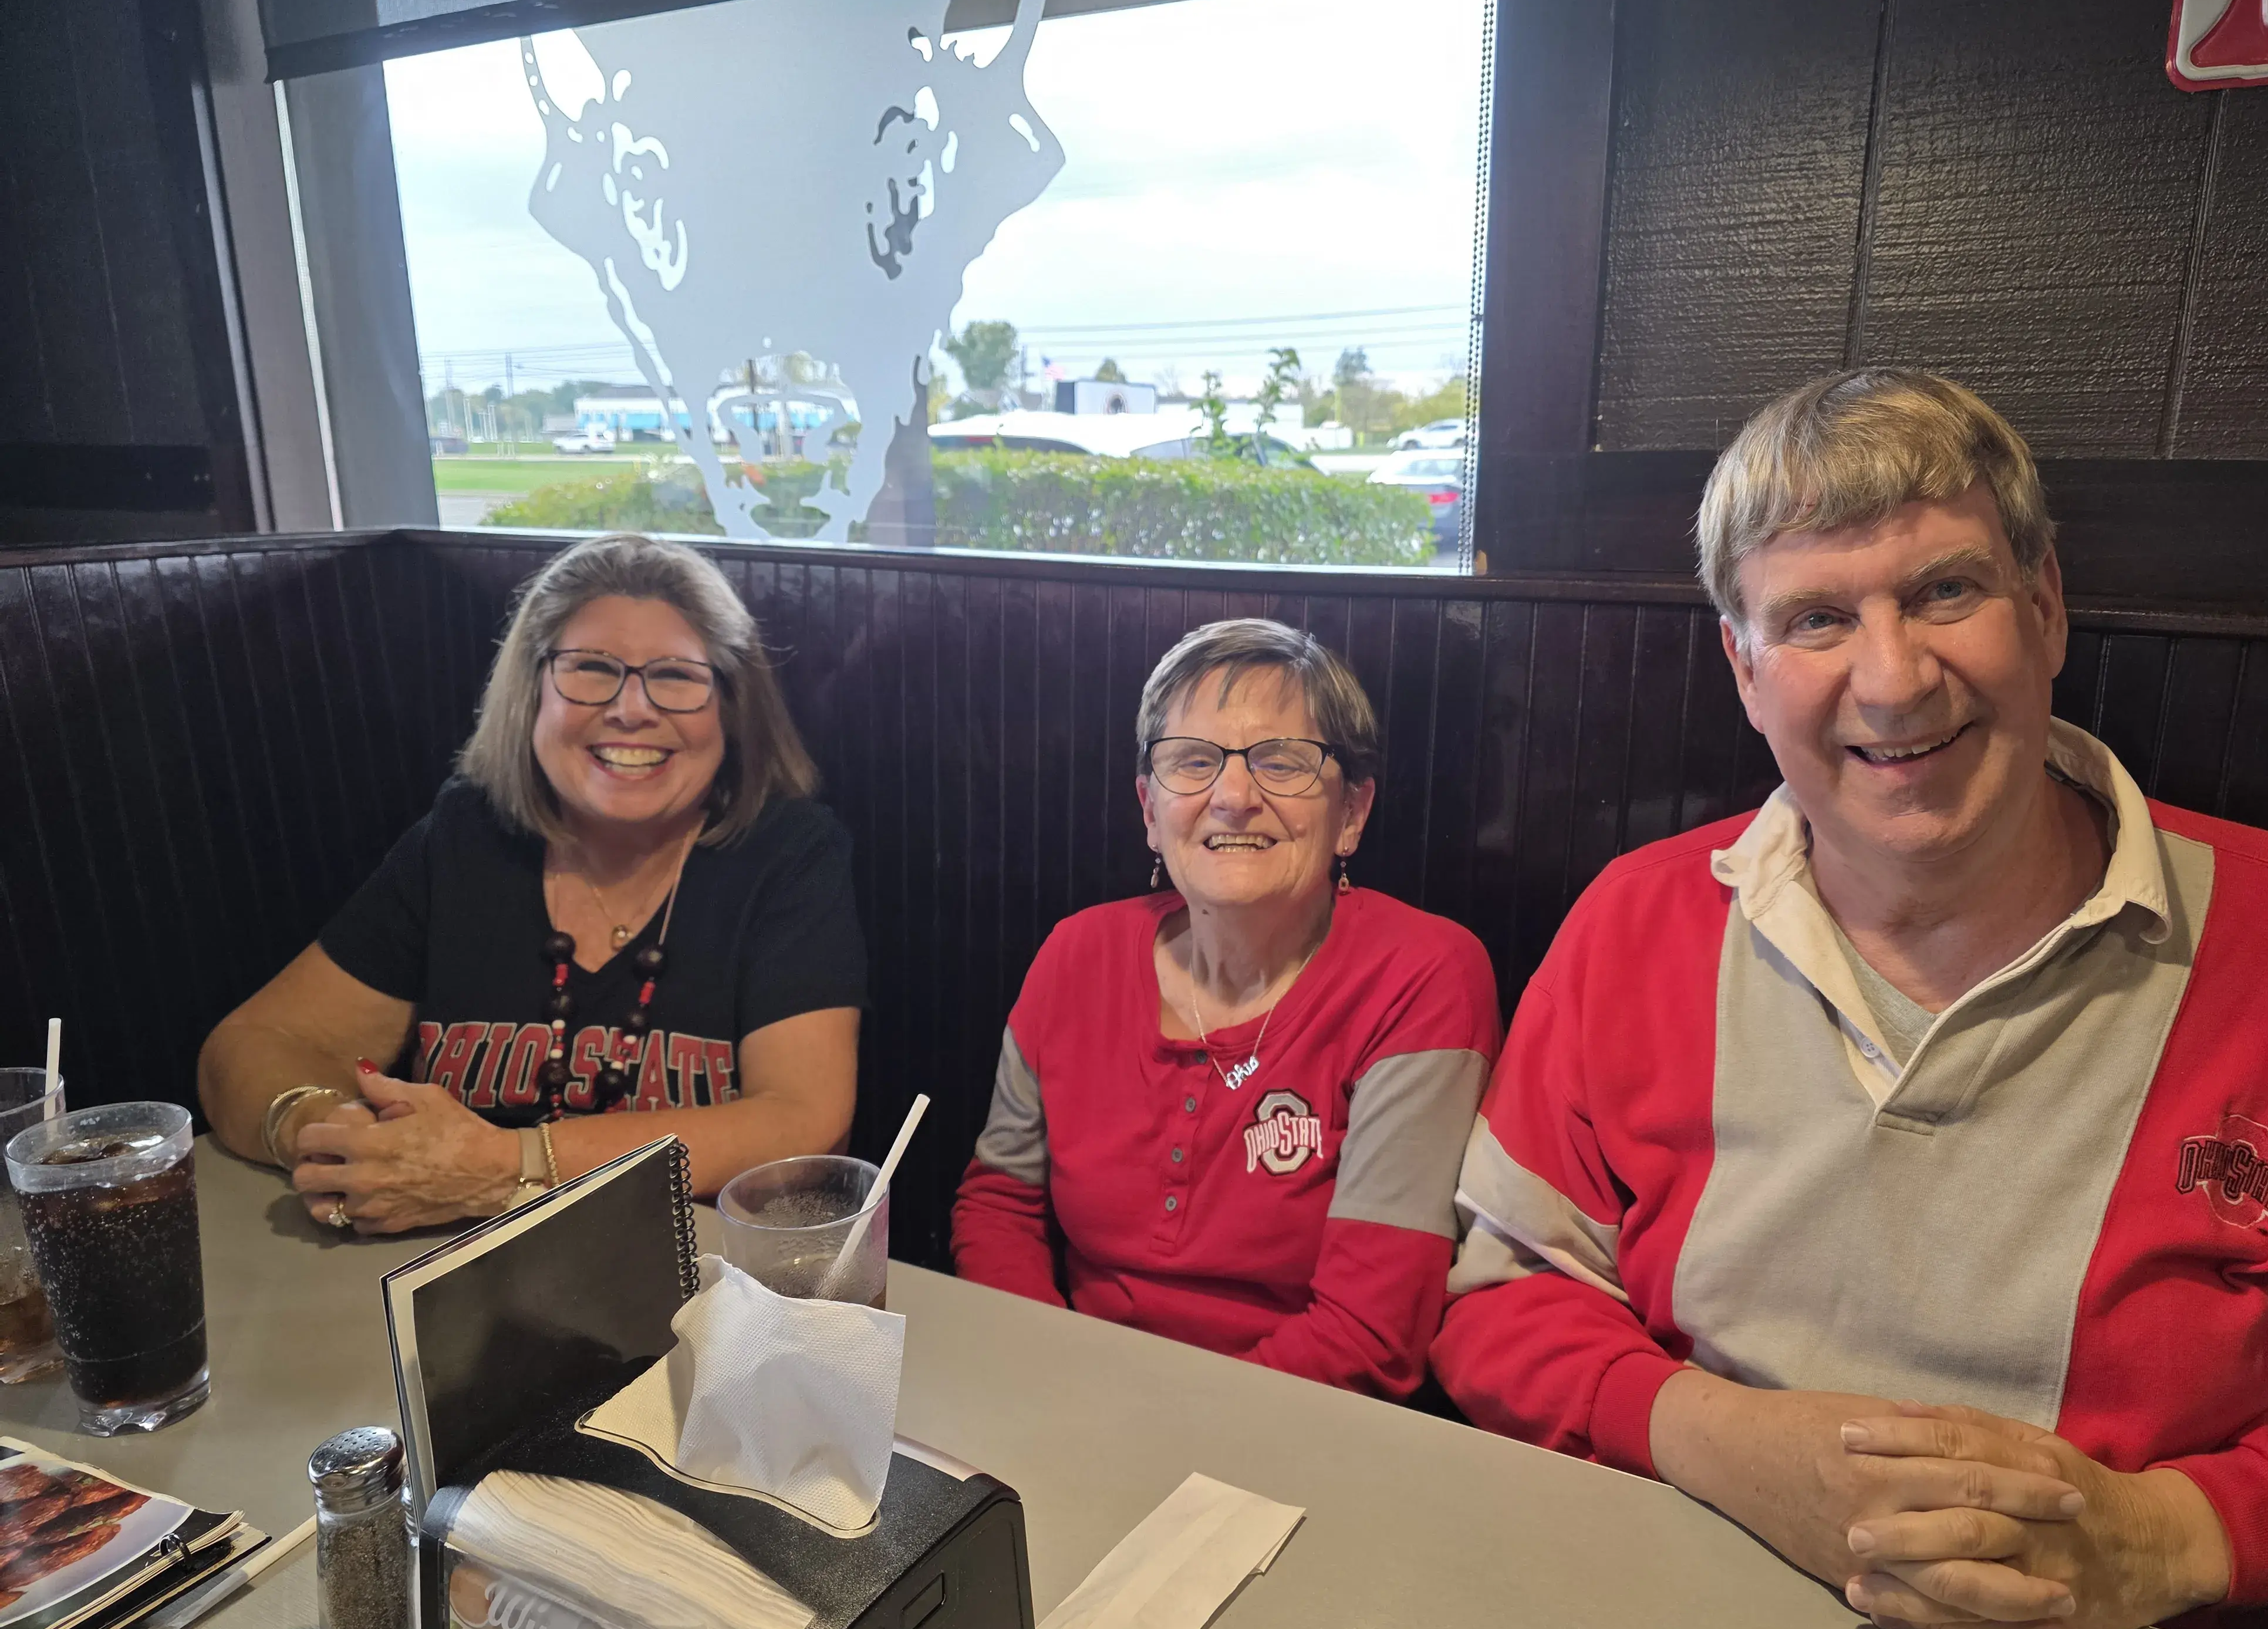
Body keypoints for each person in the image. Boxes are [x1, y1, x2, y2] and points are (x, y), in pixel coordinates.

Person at [1433, 369, 2268, 1629]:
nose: (1891, 678)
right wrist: (1728, 1444)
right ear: (1742, 669)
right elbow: (1504, 1293)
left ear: (2041, 607)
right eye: (1813, 618)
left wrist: (2171, 1534)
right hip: (1663, 1618)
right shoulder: (1633, 920)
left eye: (1942, 592)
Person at [198, 533, 866, 1232]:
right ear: (532, 694)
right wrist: (331, 1132)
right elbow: (247, 1046)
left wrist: (505, 1163)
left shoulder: (789, 855)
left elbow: (802, 1123)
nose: (631, 708)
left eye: (677, 676)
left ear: (732, 709)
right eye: (590, 669)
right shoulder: (466, 837)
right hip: (439, 1270)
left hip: (694, 1290)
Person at [951, 619, 1499, 1398]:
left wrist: (1155, 1434)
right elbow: (1001, 1204)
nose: (1234, 797)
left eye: (1283, 762)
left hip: (1298, 1431)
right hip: (1070, 1397)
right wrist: (1053, 1382)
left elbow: (1370, 1334)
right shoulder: (1077, 955)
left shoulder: (1423, 976)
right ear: (1149, 808)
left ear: (1351, 813)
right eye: (1192, 763)